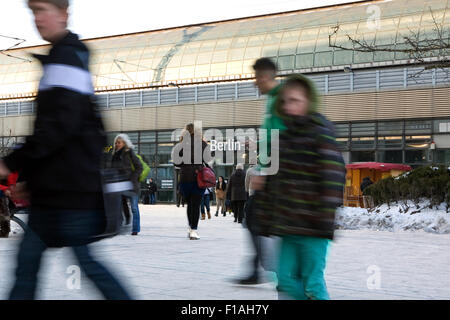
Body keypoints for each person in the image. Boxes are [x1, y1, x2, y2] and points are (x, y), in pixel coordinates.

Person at [0, 0, 131, 300]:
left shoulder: (67, 58)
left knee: (82, 264)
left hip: (70, 190)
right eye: (33, 12)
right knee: (29, 266)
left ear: (63, 14)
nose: (38, 19)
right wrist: (28, 179)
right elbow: (57, 130)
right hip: (56, 190)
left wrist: (11, 164)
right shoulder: (65, 57)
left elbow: (58, 128)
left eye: (44, 10)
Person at [253, 74, 346, 300]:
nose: (289, 106)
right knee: (284, 279)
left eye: (295, 100)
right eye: (285, 101)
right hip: (288, 227)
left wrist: (325, 219)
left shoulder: (321, 132)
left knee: (312, 283)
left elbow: (333, 177)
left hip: (314, 227)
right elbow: (273, 183)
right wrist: (266, 218)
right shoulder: (281, 139)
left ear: (308, 102)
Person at [172, 123, 211, 240]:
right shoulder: (202, 143)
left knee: (190, 205)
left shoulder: (181, 144)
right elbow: (208, 158)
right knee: (197, 204)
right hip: (198, 177)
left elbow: (176, 163)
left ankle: (190, 228)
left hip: (185, 178)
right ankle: (194, 230)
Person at [111, 134, 143, 236]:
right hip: (119, 185)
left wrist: (133, 178)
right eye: (116, 143)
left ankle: (135, 229)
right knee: (118, 207)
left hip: (132, 185)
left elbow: (139, 167)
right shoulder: (114, 155)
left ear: (124, 143)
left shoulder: (129, 153)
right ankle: (120, 226)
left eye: (119, 142)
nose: (117, 144)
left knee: (134, 208)